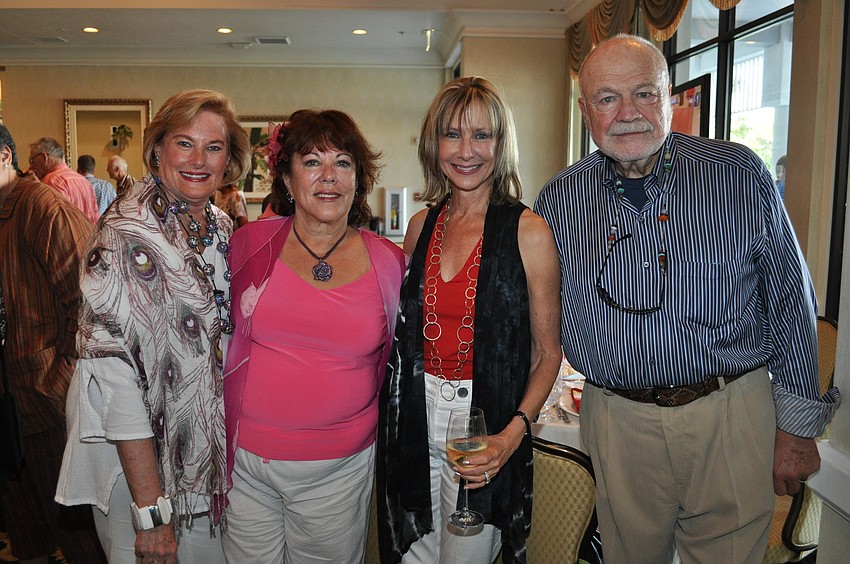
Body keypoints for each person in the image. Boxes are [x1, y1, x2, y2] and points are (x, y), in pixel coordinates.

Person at [533, 34, 840, 564]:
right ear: (586, 111)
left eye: (645, 94)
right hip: (615, 418)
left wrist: (796, 429)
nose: (628, 113)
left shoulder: (738, 174)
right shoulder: (559, 198)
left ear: (670, 98)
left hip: (728, 411)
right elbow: (534, 314)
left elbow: (792, 300)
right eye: (607, 98)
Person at [55, 89, 251, 564]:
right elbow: (115, 377)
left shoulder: (223, 228)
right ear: (157, 147)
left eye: (214, 147)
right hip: (134, 467)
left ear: (231, 158)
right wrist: (152, 510)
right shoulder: (124, 231)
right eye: (184, 143)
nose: (199, 160)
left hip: (203, 462)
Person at [377, 76, 562, 563]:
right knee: (412, 554)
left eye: (482, 135)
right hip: (414, 422)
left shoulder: (529, 231)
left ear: (502, 145)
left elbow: (547, 353)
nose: (466, 150)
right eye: (452, 134)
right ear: (433, 143)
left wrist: (512, 435)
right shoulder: (420, 226)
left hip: (485, 429)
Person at [221, 109, 406, 564]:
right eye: (311, 162)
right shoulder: (248, 245)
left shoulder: (389, 263)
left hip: (339, 471)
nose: (328, 177)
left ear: (358, 180)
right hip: (247, 467)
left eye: (343, 163)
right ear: (286, 179)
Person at [0, 124, 106, 564]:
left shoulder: (42, 208)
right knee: (27, 539)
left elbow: (91, 302)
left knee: (80, 541)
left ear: (5, 155)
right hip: (9, 410)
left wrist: (58, 382)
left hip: (49, 407)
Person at [28, 137, 98, 223]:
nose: (31, 167)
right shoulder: (83, 181)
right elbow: (95, 218)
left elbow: (55, 224)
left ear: (44, 157)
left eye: (32, 160)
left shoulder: (51, 181)